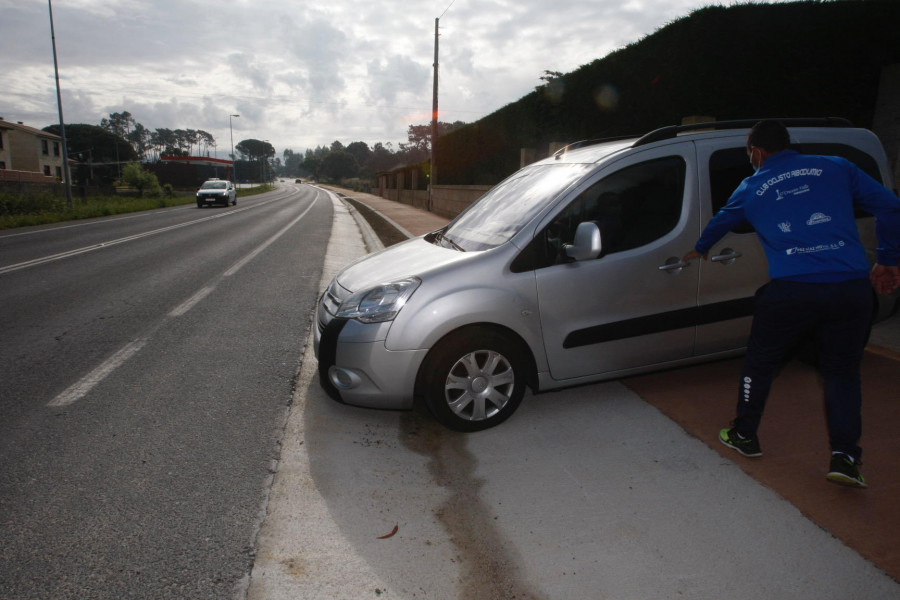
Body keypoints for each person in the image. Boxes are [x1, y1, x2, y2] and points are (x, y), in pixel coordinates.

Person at [683, 120, 900, 488]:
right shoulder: (837, 165)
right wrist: (888, 258)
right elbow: (892, 207)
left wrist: (701, 248)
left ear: (757, 151)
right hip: (850, 289)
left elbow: (722, 220)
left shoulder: (751, 185)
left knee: (761, 362)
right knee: (842, 373)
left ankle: (745, 435)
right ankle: (845, 457)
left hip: (793, 292)